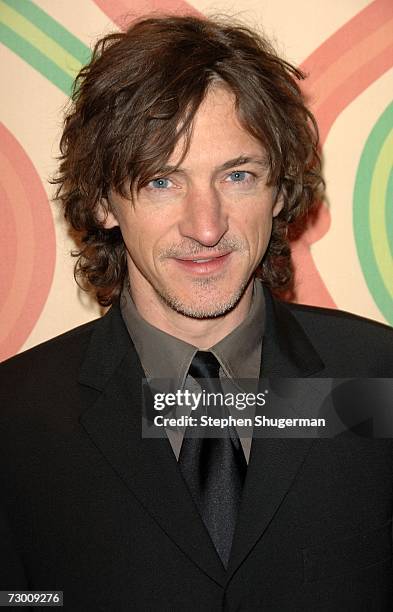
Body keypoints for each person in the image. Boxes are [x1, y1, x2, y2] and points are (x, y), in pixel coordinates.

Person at [1, 14, 392, 612]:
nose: (205, 227)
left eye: (238, 175)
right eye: (162, 181)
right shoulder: (16, 417)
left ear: (281, 191)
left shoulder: (379, 380)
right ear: (105, 200)